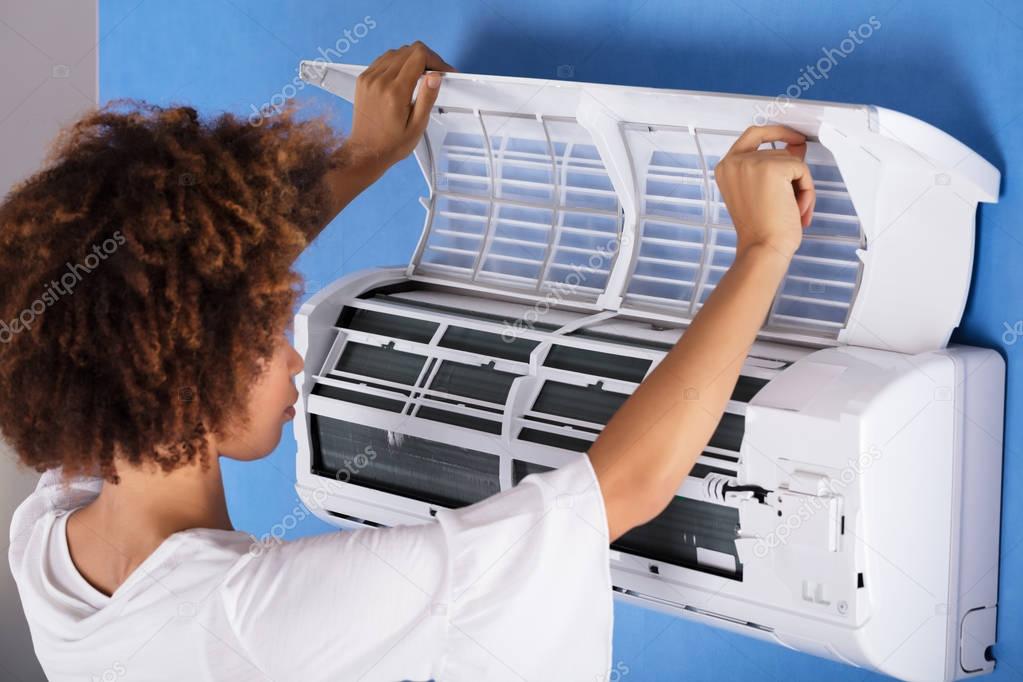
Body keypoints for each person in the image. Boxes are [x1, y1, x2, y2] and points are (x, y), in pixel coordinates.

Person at [2, 42, 816, 681]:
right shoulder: (253, 615)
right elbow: (617, 490)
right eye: (265, 337)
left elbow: (159, 290)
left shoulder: (45, 536)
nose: (295, 357)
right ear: (182, 380)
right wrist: (761, 248)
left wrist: (363, 155)